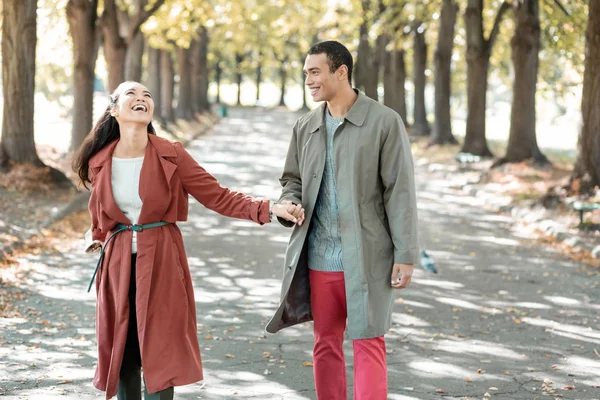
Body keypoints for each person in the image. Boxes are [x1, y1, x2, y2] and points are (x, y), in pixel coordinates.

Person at [72, 81, 304, 400]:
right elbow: (101, 216)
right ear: (114, 109)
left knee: (161, 351)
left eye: (147, 95)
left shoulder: (171, 154)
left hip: (163, 262)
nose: (142, 99)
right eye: (132, 94)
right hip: (117, 266)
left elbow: (218, 196)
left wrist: (268, 208)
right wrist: (96, 236)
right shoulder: (101, 160)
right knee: (124, 353)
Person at [265, 41, 419, 399]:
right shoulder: (306, 126)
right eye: (305, 73)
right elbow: (292, 179)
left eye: (315, 72)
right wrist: (289, 202)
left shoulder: (383, 122)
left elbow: (400, 191)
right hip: (320, 259)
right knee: (325, 343)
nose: (308, 80)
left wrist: (405, 254)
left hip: (368, 258)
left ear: (341, 72)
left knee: (368, 342)